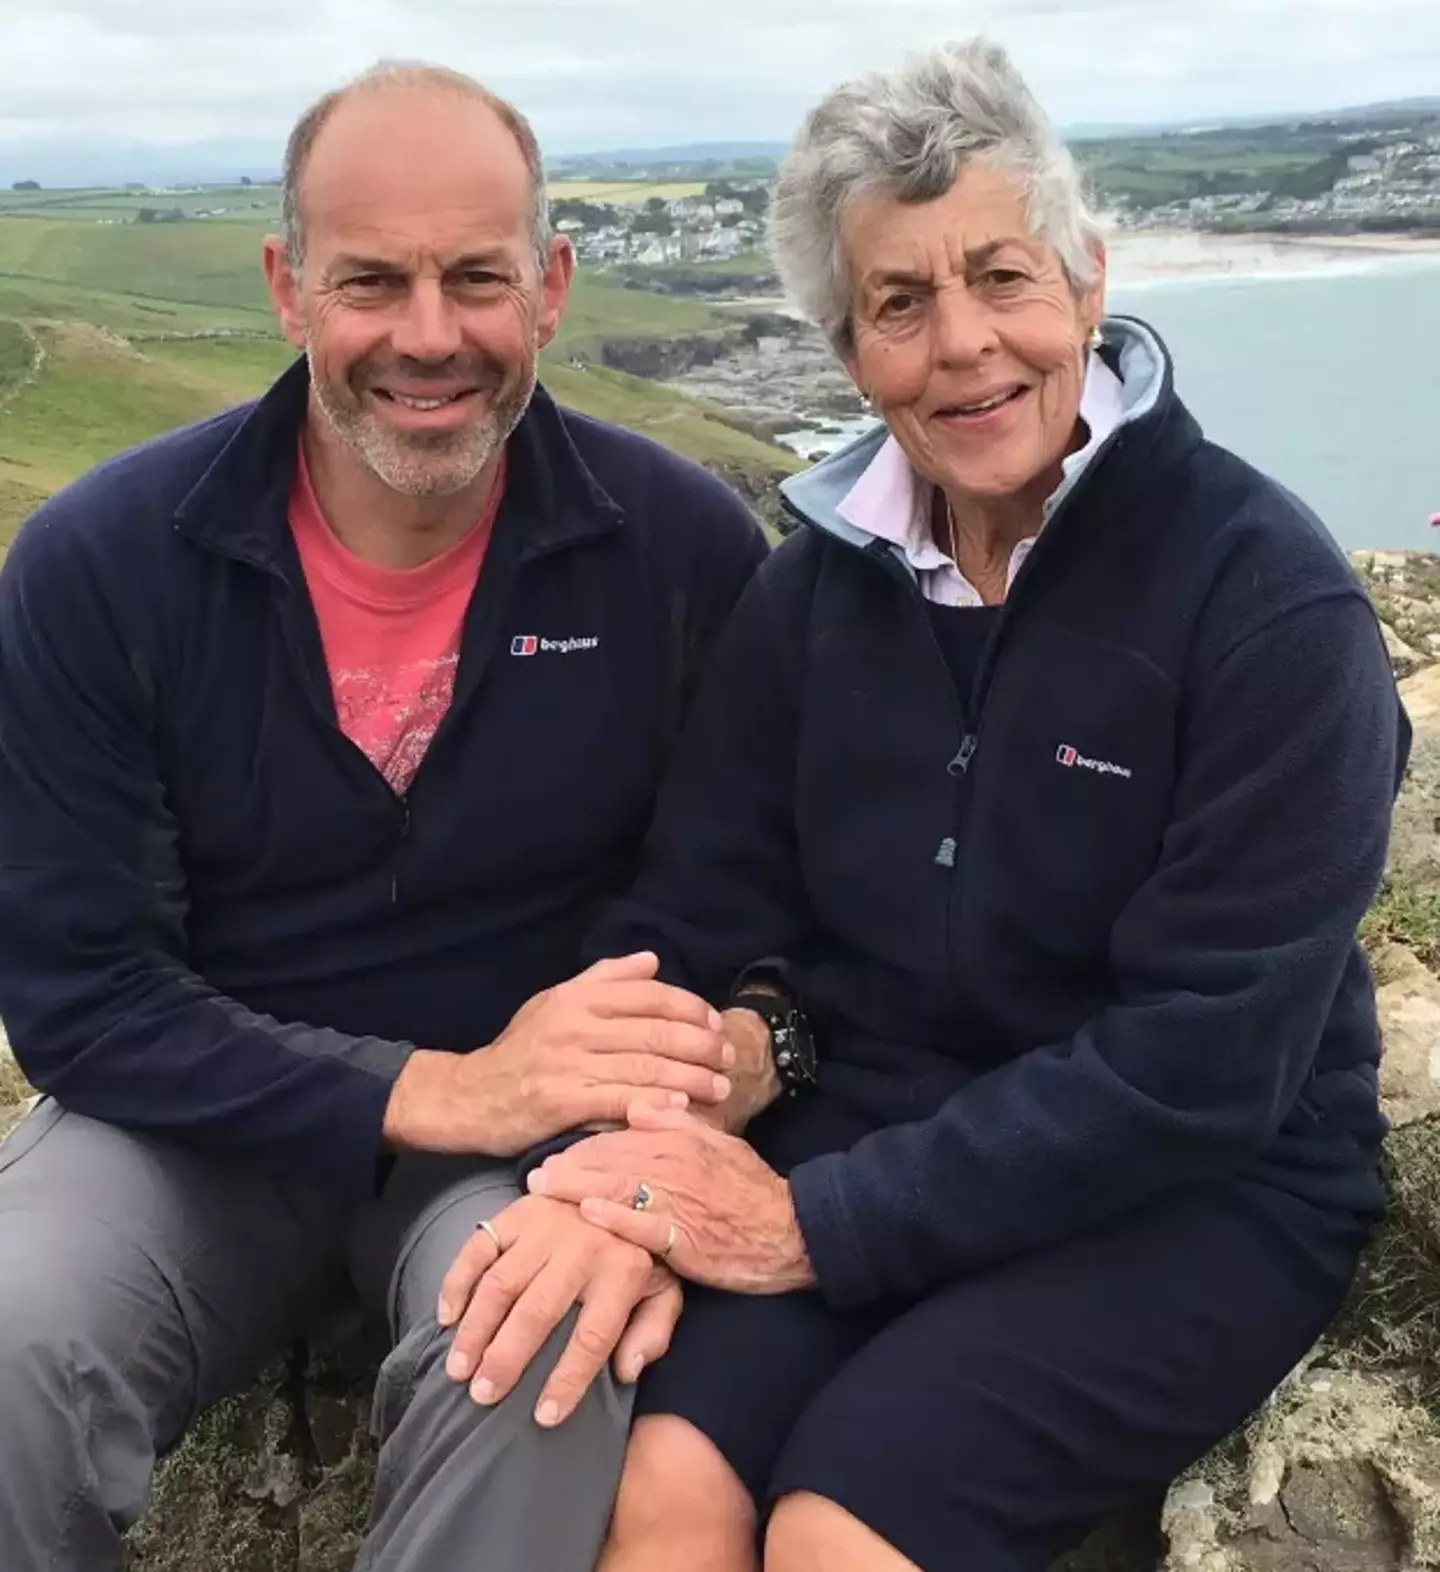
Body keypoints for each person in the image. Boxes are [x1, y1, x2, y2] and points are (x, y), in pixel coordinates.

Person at [450, 38, 1410, 1572]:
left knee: (839, 1526)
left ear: (1088, 284)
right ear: (850, 351)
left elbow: (1206, 1062)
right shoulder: (817, 586)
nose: (964, 346)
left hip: (1189, 1189)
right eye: (900, 303)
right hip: (870, 1129)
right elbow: (701, 901)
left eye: (1003, 277)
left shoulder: (1263, 599)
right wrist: (628, 1143)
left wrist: (812, 1228)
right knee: (661, 1490)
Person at [0, 62, 772, 1572]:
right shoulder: (100, 566)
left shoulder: (684, 550)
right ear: (290, 288)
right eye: (372, 281)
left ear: (549, 287)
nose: (429, 336)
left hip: (534, 1150)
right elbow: (79, 998)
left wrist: (602, 1140)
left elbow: (731, 902)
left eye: (477, 278)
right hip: (191, 1125)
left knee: (537, 1354)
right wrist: (436, 1087)